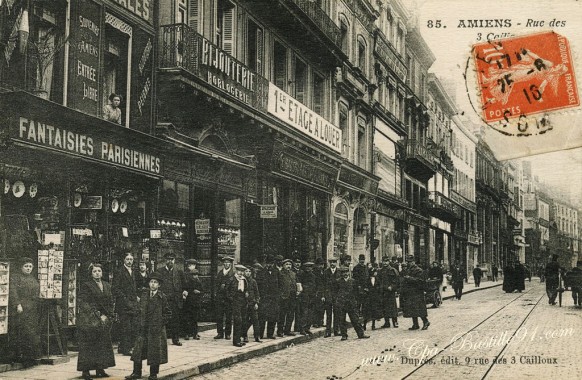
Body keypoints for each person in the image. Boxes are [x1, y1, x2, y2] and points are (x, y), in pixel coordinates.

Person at [126, 272, 171, 380]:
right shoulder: (144, 295)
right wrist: (138, 321)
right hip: (143, 328)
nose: (153, 284)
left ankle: (153, 374)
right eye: (151, 282)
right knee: (138, 351)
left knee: (154, 352)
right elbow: (138, 309)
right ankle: (136, 373)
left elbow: (168, 313)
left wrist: (160, 323)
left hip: (156, 330)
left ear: (159, 285)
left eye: (155, 282)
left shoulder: (162, 297)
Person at [77, 264, 116, 380]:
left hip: (104, 320)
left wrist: (108, 315)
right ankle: (86, 371)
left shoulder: (107, 285)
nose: (97, 273)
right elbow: (84, 302)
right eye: (94, 271)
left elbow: (110, 301)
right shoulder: (86, 286)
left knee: (102, 345)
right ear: (91, 273)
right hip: (90, 319)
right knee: (88, 345)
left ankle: (100, 369)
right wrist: (98, 315)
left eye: (99, 271)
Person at [9, 257, 41, 363]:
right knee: (20, 332)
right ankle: (19, 356)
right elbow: (13, 292)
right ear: (21, 267)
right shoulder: (16, 278)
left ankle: (30, 357)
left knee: (31, 332)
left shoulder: (33, 279)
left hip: (32, 309)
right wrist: (17, 304)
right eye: (26, 266)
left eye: (30, 266)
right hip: (21, 309)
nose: (28, 269)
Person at [154, 253, 187, 346]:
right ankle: (160, 340)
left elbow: (184, 285)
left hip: (175, 300)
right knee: (161, 319)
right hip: (163, 299)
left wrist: (184, 292)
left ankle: (175, 339)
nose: (170, 261)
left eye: (172, 259)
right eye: (168, 259)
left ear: (174, 260)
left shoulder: (179, 272)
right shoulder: (159, 271)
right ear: (165, 261)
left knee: (175, 320)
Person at [112, 252, 139, 356]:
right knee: (125, 327)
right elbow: (115, 288)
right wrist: (125, 299)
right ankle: (126, 349)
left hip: (132, 303)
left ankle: (123, 347)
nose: (129, 261)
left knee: (133, 326)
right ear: (124, 260)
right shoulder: (119, 271)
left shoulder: (133, 272)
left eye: (131, 259)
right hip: (123, 304)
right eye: (127, 259)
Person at [334, 266, 369, 341]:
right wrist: (337, 301)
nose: (345, 274)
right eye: (343, 273)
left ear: (349, 273)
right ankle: (344, 335)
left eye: (346, 272)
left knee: (355, 320)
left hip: (351, 303)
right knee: (342, 320)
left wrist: (356, 301)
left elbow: (356, 292)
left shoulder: (353, 281)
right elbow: (335, 292)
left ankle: (361, 334)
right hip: (341, 303)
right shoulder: (337, 282)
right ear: (341, 274)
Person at [401, 255, 429, 330]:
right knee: (412, 309)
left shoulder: (418, 270)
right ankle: (415, 324)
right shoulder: (407, 270)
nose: (408, 263)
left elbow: (420, 281)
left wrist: (410, 278)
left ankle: (425, 321)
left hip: (417, 292)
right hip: (410, 292)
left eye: (410, 262)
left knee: (419, 308)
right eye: (407, 262)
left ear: (413, 262)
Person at [256, 255, 280, 339]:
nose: (269, 265)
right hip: (264, 298)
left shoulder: (276, 272)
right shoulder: (261, 272)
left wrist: (277, 296)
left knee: (272, 317)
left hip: (273, 298)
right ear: (265, 263)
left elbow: (279, 284)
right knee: (262, 317)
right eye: (268, 263)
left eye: (271, 263)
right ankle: (260, 334)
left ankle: (270, 334)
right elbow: (258, 285)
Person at [227, 265, 249, 347]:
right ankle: (236, 341)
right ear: (236, 271)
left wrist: (246, 293)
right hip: (235, 302)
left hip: (243, 302)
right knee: (237, 321)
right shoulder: (232, 279)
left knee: (242, 320)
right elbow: (227, 291)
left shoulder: (244, 280)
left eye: (242, 271)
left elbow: (246, 289)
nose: (241, 273)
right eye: (239, 271)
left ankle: (239, 339)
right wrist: (231, 299)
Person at [214, 255, 235, 340]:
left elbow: (234, 286)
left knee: (228, 317)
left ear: (230, 264)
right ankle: (219, 333)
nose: (226, 264)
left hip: (228, 299)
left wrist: (230, 295)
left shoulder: (233, 274)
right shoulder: (220, 273)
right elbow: (216, 284)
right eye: (225, 262)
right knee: (219, 316)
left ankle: (228, 333)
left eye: (228, 262)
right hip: (220, 297)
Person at [183, 260, 202, 340]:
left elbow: (202, 291)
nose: (195, 276)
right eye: (194, 275)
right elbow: (185, 288)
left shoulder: (199, 282)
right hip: (188, 301)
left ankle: (195, 333)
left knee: (195, 318)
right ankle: (187, 333)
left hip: (196, 302)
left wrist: (199, 292)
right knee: (187, 317)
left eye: (196, 275)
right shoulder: (187, 279)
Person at [379, 256, 399, 328]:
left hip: (390, 292)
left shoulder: (392, 270)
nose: (385, 263)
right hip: (383, 291)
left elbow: (396, 280)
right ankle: (386, 322)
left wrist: (392, 287)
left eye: (386, 261)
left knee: (392, 307)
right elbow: (379, 281)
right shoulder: (380, 271)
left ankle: (395, 322)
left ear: (389, 262)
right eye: (383, 261)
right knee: (384, 307)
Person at [277, 259, 297, 337]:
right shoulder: (280, 273)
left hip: (292, 297)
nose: (288, 266)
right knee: (282, 315)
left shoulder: (293, 274)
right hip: (283, 297)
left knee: (291, 314)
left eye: (290, 264)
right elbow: (277, 285)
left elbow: (295, 284)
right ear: (283, 265)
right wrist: (280, 295)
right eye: (286, 264)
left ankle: (287, 330)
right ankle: (280, 330)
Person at [297, 261, 317, 335]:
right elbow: (299, 285)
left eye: (310, 267)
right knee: (304, 313)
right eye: (307, 267)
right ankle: (302, 328)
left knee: (310, 313)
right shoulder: (301, 275)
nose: (308, 269)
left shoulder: (313, 276)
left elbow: (315, 286)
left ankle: (307, 328)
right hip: (304, 296)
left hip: (312, 296)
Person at [323, 257, 341, 337]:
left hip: (337, 296)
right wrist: (323, 295)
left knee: (337, 313)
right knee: (329, 314)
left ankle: (336, 330)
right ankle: (328, 331)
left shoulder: (339, 272)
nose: (332, 264)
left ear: (336, 263)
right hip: (328, 295)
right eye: (331, 262)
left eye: (334, 262)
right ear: (329, 263)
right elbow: (323, 285)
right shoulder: (325, 272)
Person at [243, 267, 261, 343]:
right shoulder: (242, 281)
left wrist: (257, 302)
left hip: (253, 303)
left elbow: (257, 293)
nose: (248, 273)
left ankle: (257, 336)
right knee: (245, 320)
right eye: (246, 271)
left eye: (249, 271)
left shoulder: (253, 281)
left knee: (255, 320)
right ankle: (244, 336)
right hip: (244, 304)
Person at [313, 258, 326, 327]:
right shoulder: (315, 272)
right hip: (316, 292)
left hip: (322, 291)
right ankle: (315, 322)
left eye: (322, 264)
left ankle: (321, 321)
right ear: (317, 265)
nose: (321, 266)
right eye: (319, 265)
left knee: (322, 308)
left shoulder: (323, 272)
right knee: (316, 308)